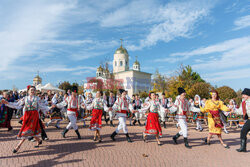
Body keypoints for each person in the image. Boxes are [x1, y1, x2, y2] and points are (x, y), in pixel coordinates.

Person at [2, 85, 50, 153]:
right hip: (27, 116)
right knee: (29, 131)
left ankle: (18, 146)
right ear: (28, 91)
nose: (32, 91)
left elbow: (42, 107)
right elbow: (17, 105)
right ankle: (39, 140)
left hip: (34, 117)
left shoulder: (37, 99)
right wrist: (8, 103)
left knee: (27, 131)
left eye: (34, 90)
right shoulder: (25, 98)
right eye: (31, 90)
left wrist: (49, 108)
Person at [233, 88, 250, 152]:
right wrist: (234, 110)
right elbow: (241, 111)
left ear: (248, 95)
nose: (242, 96)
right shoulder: (243, 102)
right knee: (243, 131)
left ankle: (243, 147)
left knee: (243, 131)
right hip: (249, 119)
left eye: (244, 95)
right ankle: (243, 147)